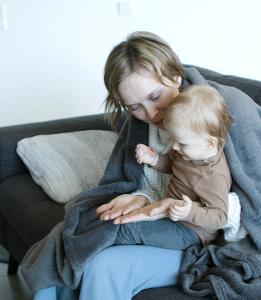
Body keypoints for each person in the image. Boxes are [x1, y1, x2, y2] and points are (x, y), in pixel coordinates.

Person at [31, 30, 258, 300]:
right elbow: (143, 175)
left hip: (200, 233)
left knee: (103, 266)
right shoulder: (139, 124)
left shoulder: (225, 108)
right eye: (135, 106)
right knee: (67, 238)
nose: (150, 115)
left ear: (175, 75)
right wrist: (139, 196)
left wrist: (181, 207)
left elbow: (249, 196)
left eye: (155, 96)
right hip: (161, 217)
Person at [135, 85, 232, 246]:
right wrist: (154, 159)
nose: (174, 147)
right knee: (131, 225)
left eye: (181, 143)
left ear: (209, 143)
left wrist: (189, 212)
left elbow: (219, 217)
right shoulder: (188, 152)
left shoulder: (213, 176)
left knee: (134, 232)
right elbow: (172, 165)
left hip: (193, 231)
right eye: (174, 140)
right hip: (170, 215)